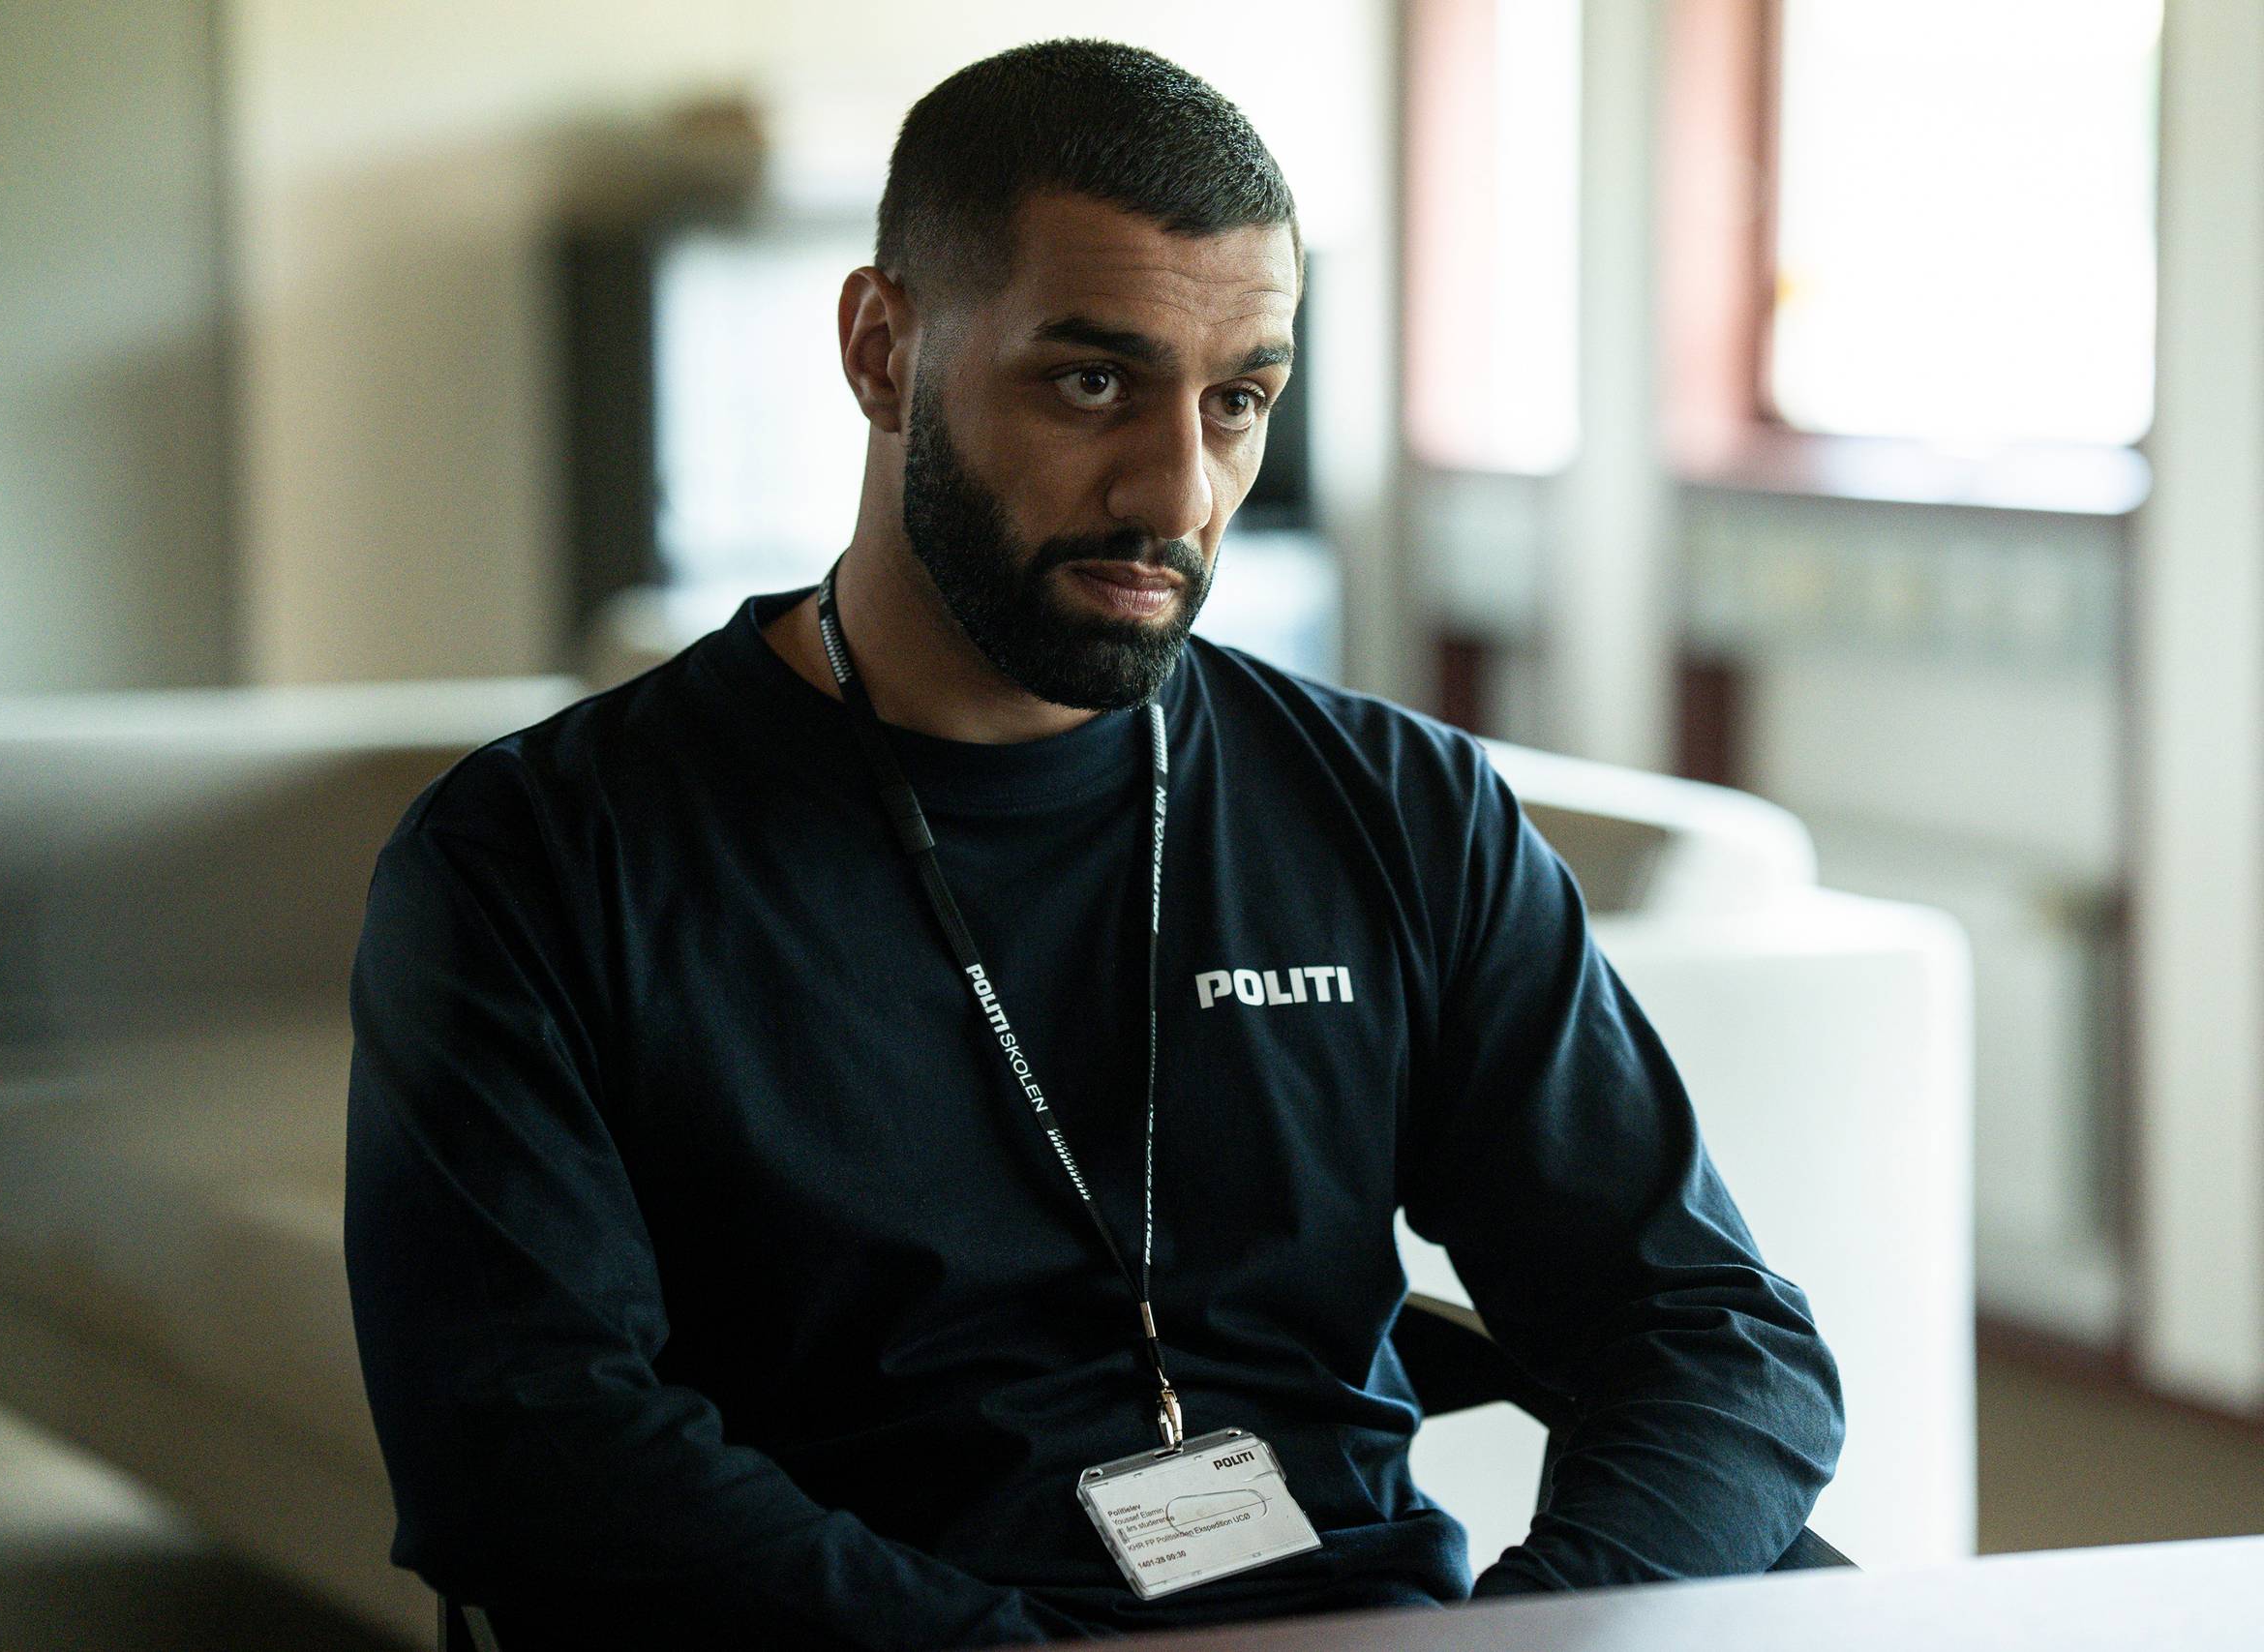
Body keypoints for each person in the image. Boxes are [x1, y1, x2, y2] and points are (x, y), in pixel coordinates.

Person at [344, 37, 1843, 1651]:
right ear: (882, 351)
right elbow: (528, 1451)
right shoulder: (537, 858)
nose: (1177, 492)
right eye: (1092, 383)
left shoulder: (1404, 812)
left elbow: (1714, 1337)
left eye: (1237, 400)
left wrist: (1527, 1633)